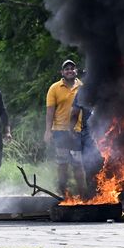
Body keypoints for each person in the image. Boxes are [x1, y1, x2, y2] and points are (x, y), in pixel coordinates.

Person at [44, 59, 83, 194]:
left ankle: (82, 194)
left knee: (78, 164)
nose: (70, 71)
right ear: (62, 72)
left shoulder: (82, 87)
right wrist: (48, 131)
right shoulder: (54, 88)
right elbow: (50, 111)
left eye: (72, 68)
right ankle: (62, 192)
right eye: (67, 69)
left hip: (77, 131)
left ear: (76, 71)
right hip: (60, 131)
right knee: (62, 163)